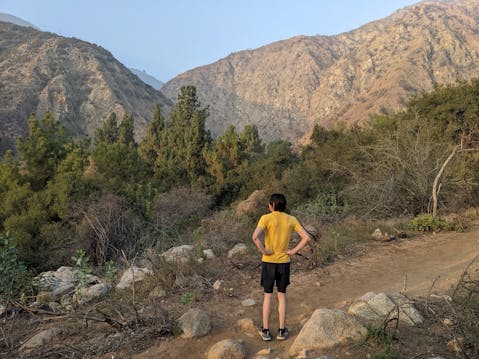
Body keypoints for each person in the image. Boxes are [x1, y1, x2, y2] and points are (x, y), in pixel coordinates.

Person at [252, 193, 313, 341]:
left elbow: (255, 237)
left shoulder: (266, 218)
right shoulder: (291, 219)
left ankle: (265, 331)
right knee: (282, 295)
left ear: (271, 205)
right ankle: (281, 330)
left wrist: (263, 250)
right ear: (284, 206)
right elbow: (306, 237)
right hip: (284, 263)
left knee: (267, 295)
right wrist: (292, 251)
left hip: (268, 262)